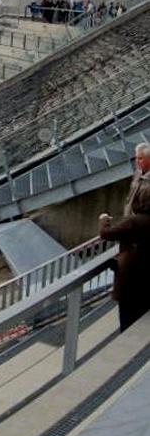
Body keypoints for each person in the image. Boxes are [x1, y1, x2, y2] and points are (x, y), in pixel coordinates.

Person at [98, 141, 150, 330]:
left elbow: (105, 233)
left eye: (140, 158)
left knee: (129, 301)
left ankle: (128, 330)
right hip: (137, 242)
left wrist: (104, 219)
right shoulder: (138, 175)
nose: (137, 161)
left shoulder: (135, 221)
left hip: (134, 246)